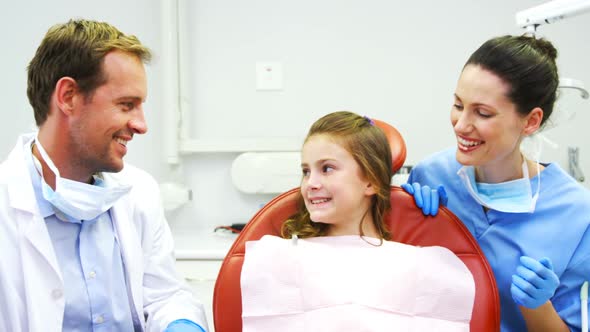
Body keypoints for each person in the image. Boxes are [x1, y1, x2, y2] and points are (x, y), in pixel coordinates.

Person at [0, 19, 208, 332]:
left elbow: (163, 294)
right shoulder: (7, 206)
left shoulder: (139, 192)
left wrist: (179, 322)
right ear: (69, 96)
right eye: (127, 105)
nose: (141, 125)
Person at [403, 35, 590, 331]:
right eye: (457, 104)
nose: (461, 124)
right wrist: (399, 219)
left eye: (483, 113)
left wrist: (537, 307)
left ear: (530, 121)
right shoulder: (430, 176)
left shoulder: (578, 214)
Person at [240, 111, 475, 331]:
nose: (311, 183)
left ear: (371, 181)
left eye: (327, 168)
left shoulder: (416, 265)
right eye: (306, 171)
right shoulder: (281, 257)